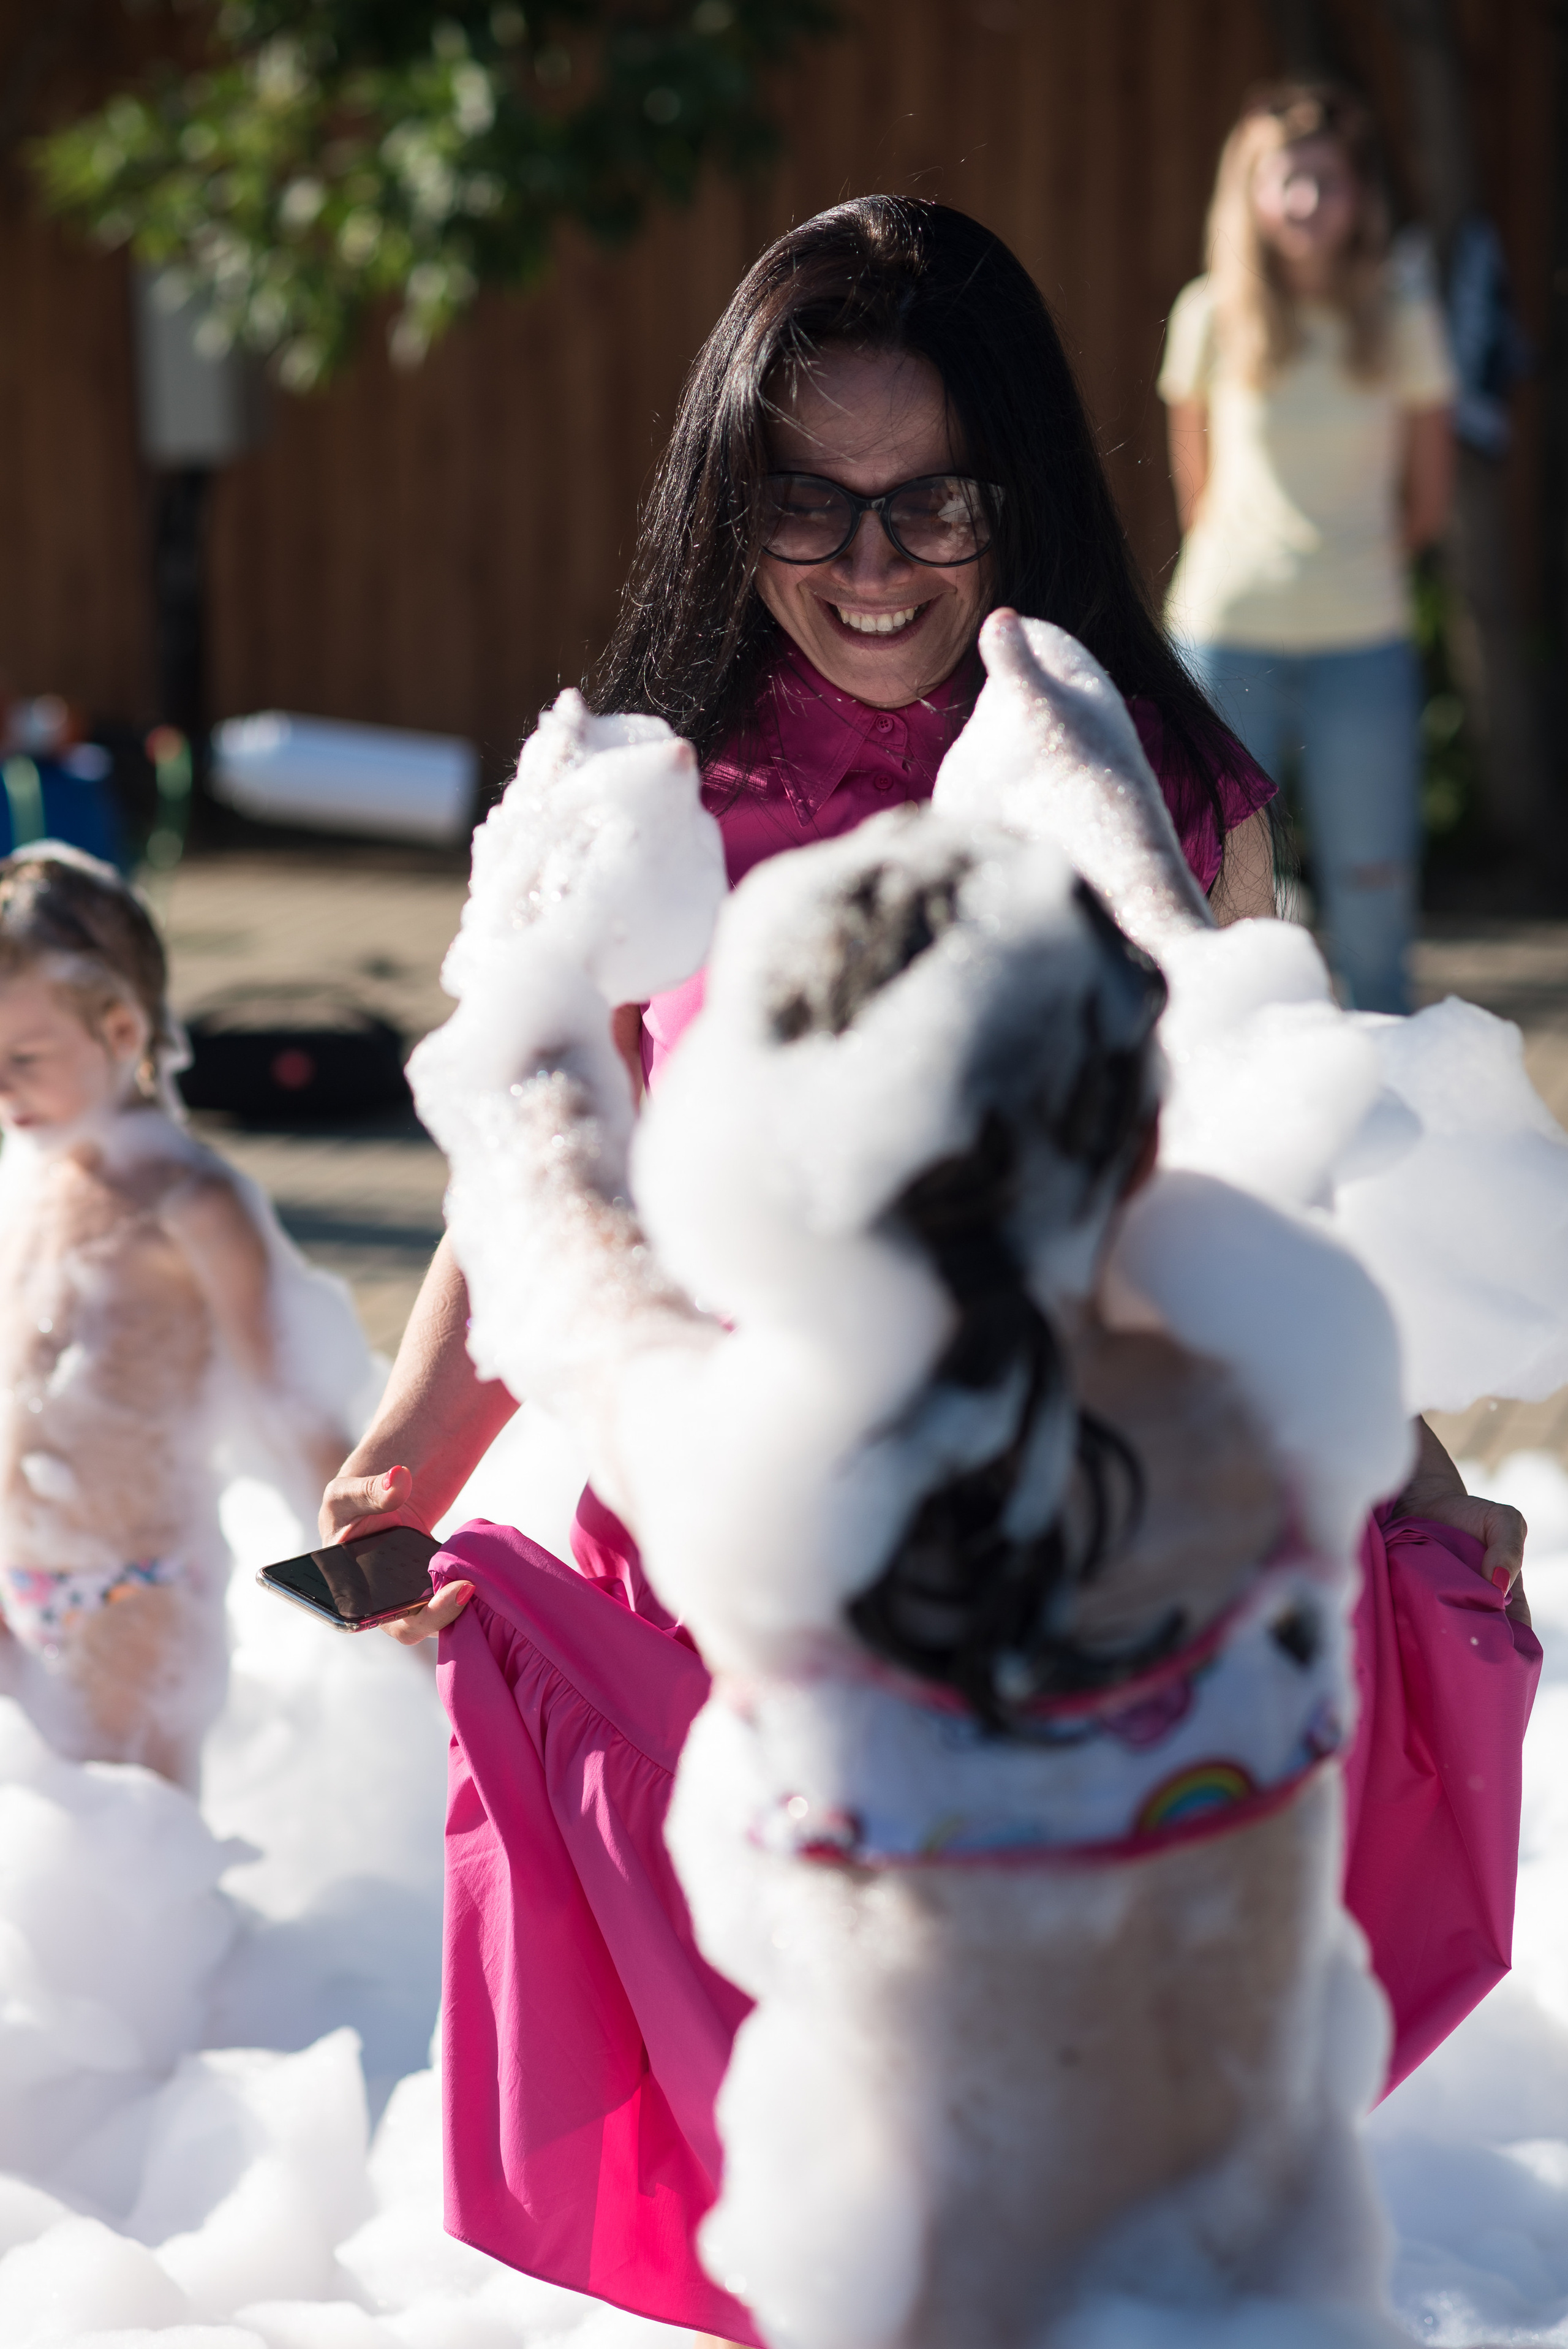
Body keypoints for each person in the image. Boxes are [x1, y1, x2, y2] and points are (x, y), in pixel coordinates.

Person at [320, 201, 1523, 2340]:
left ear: (1023, 490)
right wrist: (416, 1447)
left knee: (1101, 2163)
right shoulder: (651, 790)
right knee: (822, 2187)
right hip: (744, 1544)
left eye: (931, 502)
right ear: (732, 490)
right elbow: (544, 1160)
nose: (872, 567)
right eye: (813, 502)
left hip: (1068, 1567)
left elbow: (1244, 1174)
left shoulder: (1156, 783)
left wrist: (1410, 1477)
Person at [0, 845, 361, 1787]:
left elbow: (293, 1405)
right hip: (18, 1583)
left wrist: (374, 1575)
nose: (1, 1087)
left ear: (121, 1029)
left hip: (134, 1601)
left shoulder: (188, 1201)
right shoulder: (31, 1177)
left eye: (24, 1059)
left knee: (134, 1871)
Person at [1159, 80, 1457, 1015]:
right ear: (1249, 192)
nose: (1305, 201)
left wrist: (1346, 570)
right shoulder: (1210, 314)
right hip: (1225, 639)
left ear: (1359, 196)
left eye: (1326, 181)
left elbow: (1429, 502)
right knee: (1226, 910)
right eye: (1285, 180)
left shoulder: (1405, 318)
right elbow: (1194, 486)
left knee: (1375, 904)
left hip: (1361, 641)